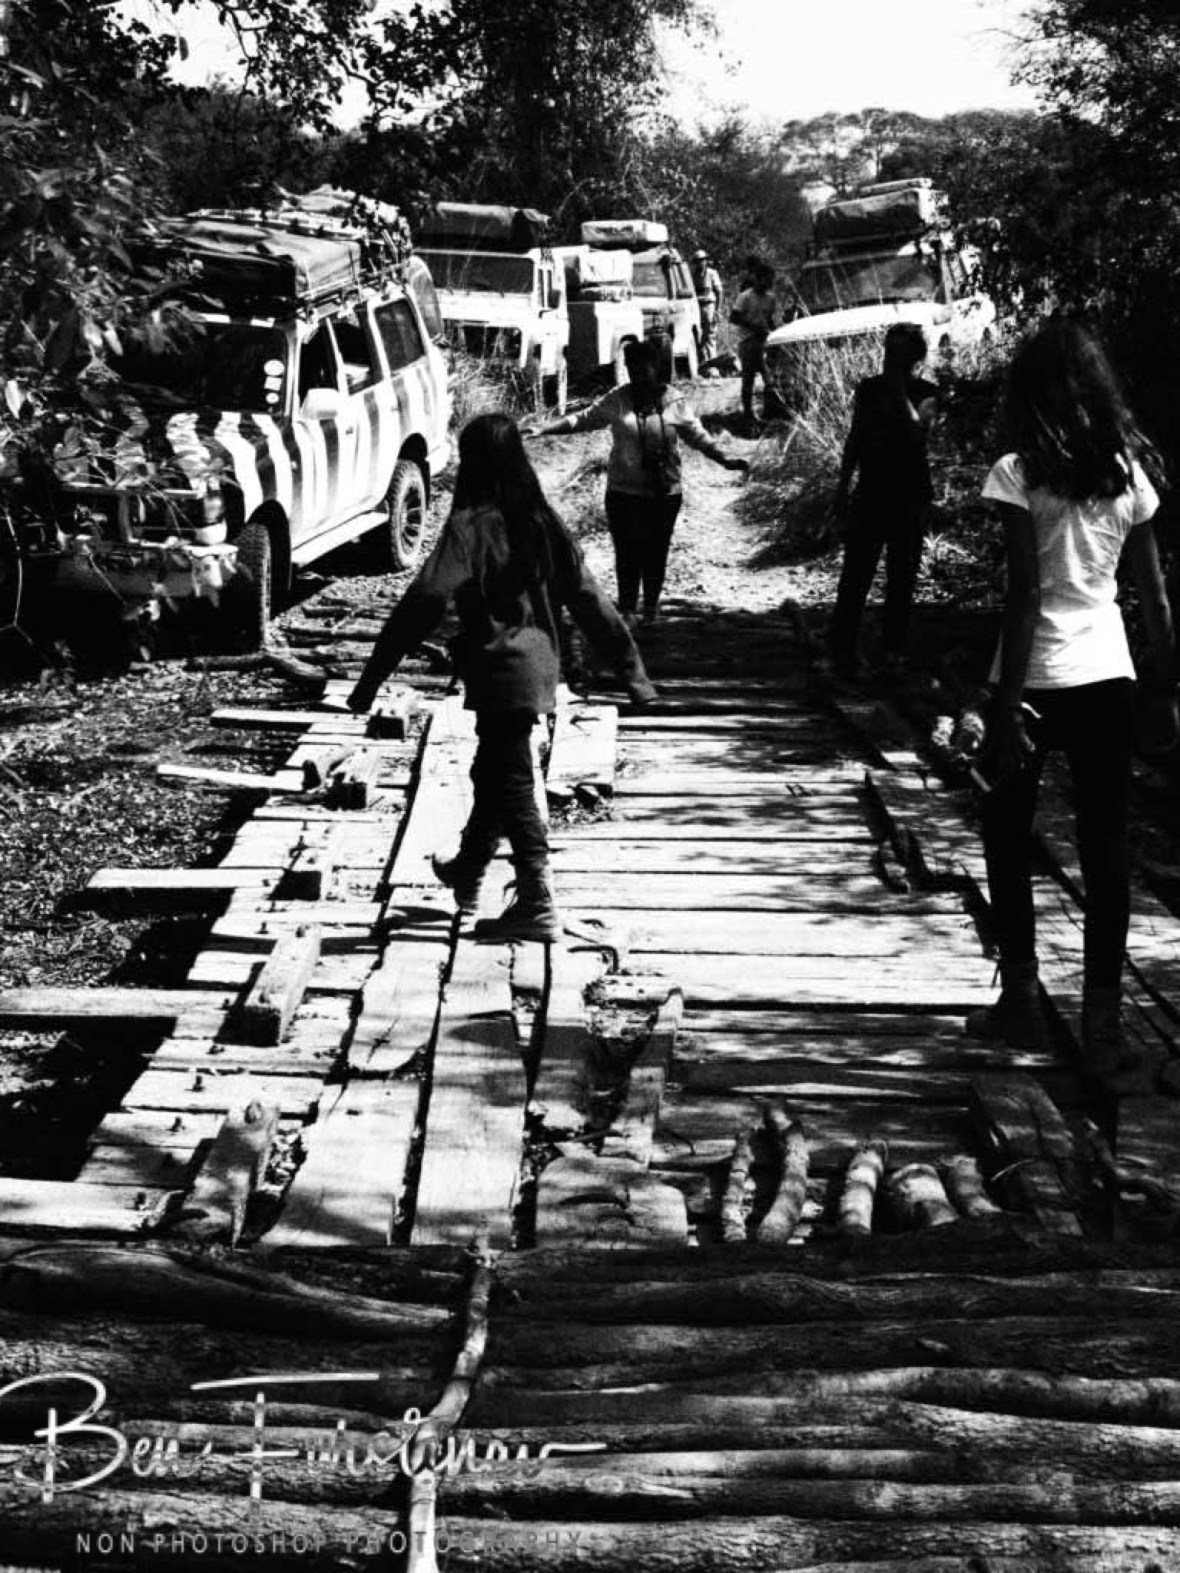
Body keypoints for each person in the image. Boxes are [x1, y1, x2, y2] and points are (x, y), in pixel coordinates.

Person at [347, 413, 658, 944]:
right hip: (537, 671)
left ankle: (537, 901)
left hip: (497, 673)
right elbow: (591, 603)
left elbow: (423, 600)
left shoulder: (468, 527)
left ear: (473, 464)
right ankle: (469, 868)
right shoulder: (543, 523)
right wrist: (635, 675)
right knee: (492, 770)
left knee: (512, 784)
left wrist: (371, 678)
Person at [966, 318, 1177, 1093]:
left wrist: (1004, 707)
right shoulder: (1127, 472)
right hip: (1108, 675)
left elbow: (1025, 596)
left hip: (1036, 679)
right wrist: (1165, 690)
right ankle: (1102, 1029)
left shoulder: (1017, 472)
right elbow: (1151, 596)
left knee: (1004, 833)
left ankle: (1020, 999)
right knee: (1106, 850)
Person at [533, 336, 747, 625]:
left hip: (665, 492)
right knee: (626, 552)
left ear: (655, 369)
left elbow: (699, 437)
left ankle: (650, 610)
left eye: (643, 370)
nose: (637, 376)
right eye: (632, 370)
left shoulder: (673, 401)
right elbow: (583, 419)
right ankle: (628, 610)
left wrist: (725, 460)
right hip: (623, 492)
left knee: (656, 551)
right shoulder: (618, 398)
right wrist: (545, 429)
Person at [829, 323, 938, 676]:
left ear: (916, 357)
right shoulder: (868, 389)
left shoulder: (928, 392)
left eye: (901, 353)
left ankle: (893, 650)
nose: (892, 358)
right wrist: (842, 487)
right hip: (872, 491)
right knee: (856, 572)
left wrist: (898, 393)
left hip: (909, 494)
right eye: (889, 350)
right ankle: (842, 648)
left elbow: (917, 435)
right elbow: (856, 437)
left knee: (901, 574)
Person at [728, 261, 778, 425]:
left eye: (770, 280)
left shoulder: (770, 298)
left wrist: (776, 334)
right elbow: (734, 317)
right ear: (757, 279)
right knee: (748, 379)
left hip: (765, 341)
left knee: (769, 378)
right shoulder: (745, 297)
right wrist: (753, 326)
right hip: (748, 341)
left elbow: (769, 319)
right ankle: (748, 414)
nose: (768, 283)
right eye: (765, 279)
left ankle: (769, 412)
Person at [691, 249, 723, 364]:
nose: (701, 263)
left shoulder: (711, 273)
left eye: (702, 260)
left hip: (709, 305)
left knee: (710, 335)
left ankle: (712, 363)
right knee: (699, 336)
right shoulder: (692, 275)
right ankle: (702, 363)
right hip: (696, 307)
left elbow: (719, 292)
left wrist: (717, 310)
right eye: (698, 261)